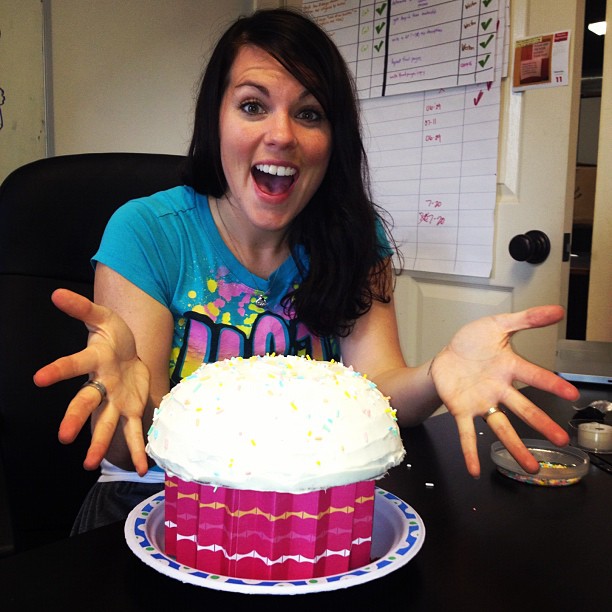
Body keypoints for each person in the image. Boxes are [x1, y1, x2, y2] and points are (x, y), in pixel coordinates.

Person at [33, 8, 579, 534]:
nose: (282, 135)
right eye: (253, 106)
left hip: (311, 506)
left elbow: (381, 390)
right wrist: (125, 403)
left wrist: (437, 371)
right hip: (160, 496)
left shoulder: (354, 236)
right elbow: (130, 448)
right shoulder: (147, 232)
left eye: (310, 113)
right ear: (214, 120)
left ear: (333, 138)